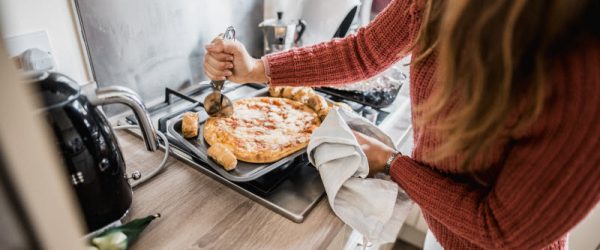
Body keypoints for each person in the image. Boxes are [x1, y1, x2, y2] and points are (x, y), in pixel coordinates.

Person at [203, 0, 600, 249]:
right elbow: (364, 51)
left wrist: (394, 164)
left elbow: (498, 228)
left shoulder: (583, 76)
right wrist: (258, 68)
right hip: (446, 229)